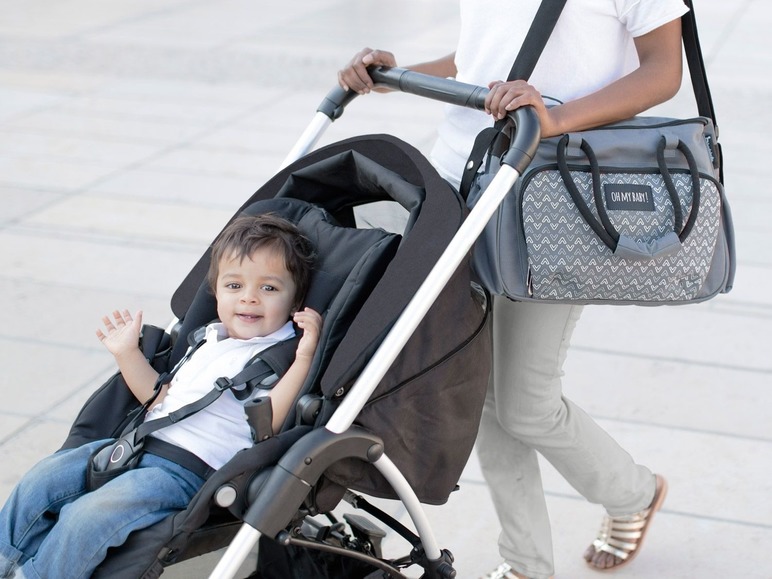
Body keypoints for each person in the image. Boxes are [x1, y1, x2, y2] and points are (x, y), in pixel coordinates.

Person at [338, 1, 686, 578]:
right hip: (458, 183)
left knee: (526, 403)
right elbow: (485, 55)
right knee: (485, 395)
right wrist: (403, 73)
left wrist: (556, 116)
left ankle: (634, 493)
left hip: (554, 191)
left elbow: (661, 71)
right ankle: (526, 564)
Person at [0, 213, 322, 579]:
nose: (249, 298)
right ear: (215, 292)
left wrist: (305, 357)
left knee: (88, 517)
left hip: (184, 470)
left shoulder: (276, 353)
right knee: (45, 478)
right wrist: (127, 354)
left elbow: (273, 418)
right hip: (135, 445)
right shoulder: (208, 339)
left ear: (295, 302)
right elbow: (160, 401)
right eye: (235, 286)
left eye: (268, 288)